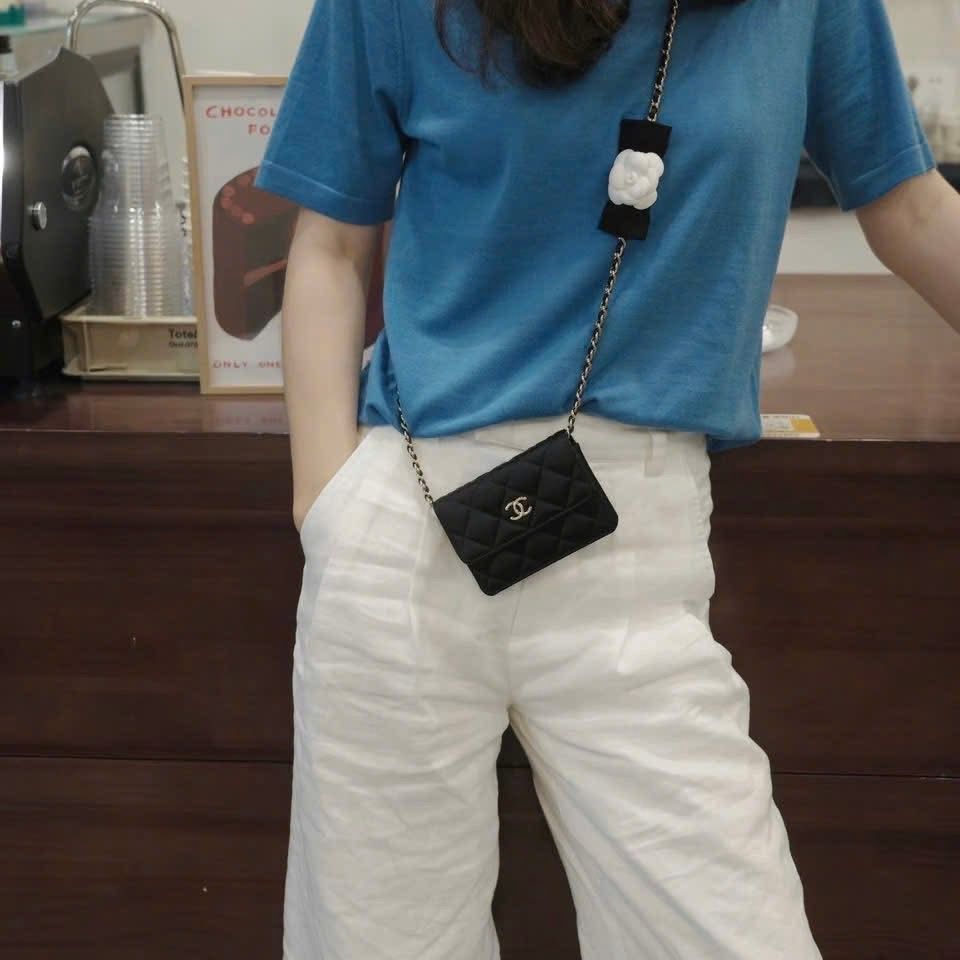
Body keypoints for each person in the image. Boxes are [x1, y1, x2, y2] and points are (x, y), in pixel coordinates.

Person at [255, 0, 960, 956]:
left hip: (636, 552)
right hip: (402, 536)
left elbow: (911, 207)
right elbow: (331, 243)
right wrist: (326, 507)